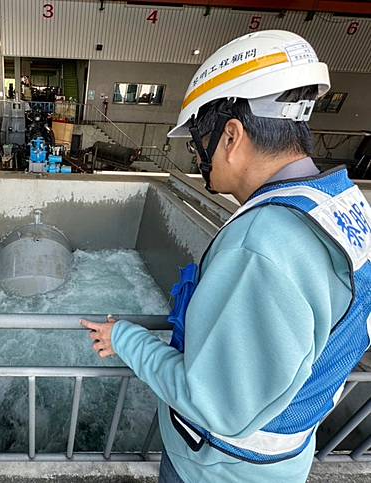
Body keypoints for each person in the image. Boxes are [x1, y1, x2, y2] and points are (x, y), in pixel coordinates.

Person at [82, 30, 370, 482]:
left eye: (199, 141)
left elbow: (213, 405)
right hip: (284, 459)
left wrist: (126, 339)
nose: (198, 156)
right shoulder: (344, 207)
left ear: (232, 135)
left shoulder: (263, 244)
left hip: (219, 468)